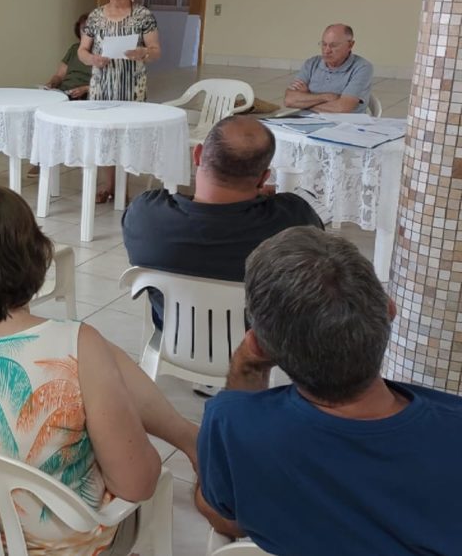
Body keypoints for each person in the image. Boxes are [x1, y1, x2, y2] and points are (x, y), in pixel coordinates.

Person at [0, 184, 199, 553]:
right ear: (35, 257)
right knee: (149, 477)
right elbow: (137, 485)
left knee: (95, 357)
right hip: (58, 546)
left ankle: (188, 436)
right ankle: (190, 439)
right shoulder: (76, 346)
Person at [195, 227, 462, 554]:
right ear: (389, 312)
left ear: (261, 346)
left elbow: (224, 517)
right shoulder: (452, 429)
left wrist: (246, 366)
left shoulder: (232, 423)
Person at [121, 116, 324, 325]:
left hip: (173, 337)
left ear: (197, 155)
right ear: (264, 177)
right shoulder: (293, 219)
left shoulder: (145, 214)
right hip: (260, 347)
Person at [78, 0, 161, 202]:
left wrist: (143, 52)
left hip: (132, 83)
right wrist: (93, 58)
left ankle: (123, 187)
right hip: (102, 84)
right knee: (104, 135)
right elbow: (82, 50)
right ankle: (107, 186)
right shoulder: (95, 16)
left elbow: (156, 51)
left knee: (127, 135)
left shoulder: (143, 15)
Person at [283, 24, 374, 114]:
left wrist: (305, 99)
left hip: (344, 125)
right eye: (324, 44)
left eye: (333, 45)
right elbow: (289, 100)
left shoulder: (362, 67)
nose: (326, 50)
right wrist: (326, 97)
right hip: (306, 121)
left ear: (350, 45)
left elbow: (342, 109)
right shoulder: (312, 63)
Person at [44, 13, 93, 99]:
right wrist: (52, 83)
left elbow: (106, 85)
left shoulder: (104, 52)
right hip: (64, 92)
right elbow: (59, 76)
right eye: (83, 30)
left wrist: (85, 89)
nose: (86, 33)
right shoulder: (74, 49)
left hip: (85, 96)